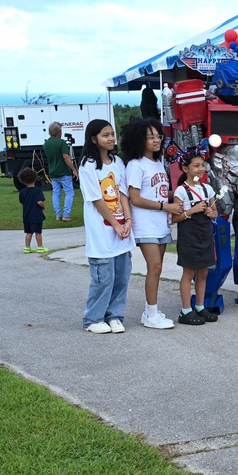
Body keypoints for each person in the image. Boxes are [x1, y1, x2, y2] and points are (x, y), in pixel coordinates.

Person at [123, 118, 183, 330]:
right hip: (145, 224)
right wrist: (165, 207)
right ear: (139, 139)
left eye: (158, 135)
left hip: (160, 224)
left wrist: (179, 194)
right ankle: (151, 314)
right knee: (154, 267)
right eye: (150, 137)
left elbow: (158, 193)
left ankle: (151, 311)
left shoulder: (158, 163)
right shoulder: (135, 165)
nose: (156, 140)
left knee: (157, 269)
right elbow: (135, 198)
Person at [78, 119, 134, 335]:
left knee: (122, 276)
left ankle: (114, 316)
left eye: (112, 134)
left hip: (122, 231)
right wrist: (115, 225)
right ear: (94, 139)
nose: (111, 138)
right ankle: (92, 319)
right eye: (105, 135)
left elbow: (122, 193)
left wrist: (127, 220)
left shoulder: (118, 162)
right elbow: (97, 200)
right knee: (104, 278)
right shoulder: (88, 165)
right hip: (103, 232)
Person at [169, 148, 220, 326]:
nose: (201, 169)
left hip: (205, 235)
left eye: (203, 165)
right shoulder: (181, 191)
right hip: (189, 236)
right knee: (189, 271)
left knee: (204, 272)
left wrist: (210, 213)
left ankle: (200, 306)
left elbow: (215, 213)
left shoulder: (208, 189)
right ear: (185, 169)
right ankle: (185, 310)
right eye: (196, 166)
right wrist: (191, 211)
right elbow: (175, 217)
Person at [43, 122, 78, 221]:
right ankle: (66, 214)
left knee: (56, 193)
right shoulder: (61, 142)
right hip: (63, 171)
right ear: (58, 132)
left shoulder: (46, 144)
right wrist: (74, 170)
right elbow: (66, 157)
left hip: (53, 172)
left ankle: (58, 215)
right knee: (69, 192)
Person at [17, 167, 48, 254]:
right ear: (35, 178)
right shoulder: (37, 191)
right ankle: (40, 247)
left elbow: (22, 202)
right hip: (36, 215)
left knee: (28, 232)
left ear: (22, 181)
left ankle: (27, 247)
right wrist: (44, 207)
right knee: (38, 231)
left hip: (26, 215)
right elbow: (39, 202)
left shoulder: (22, 192)